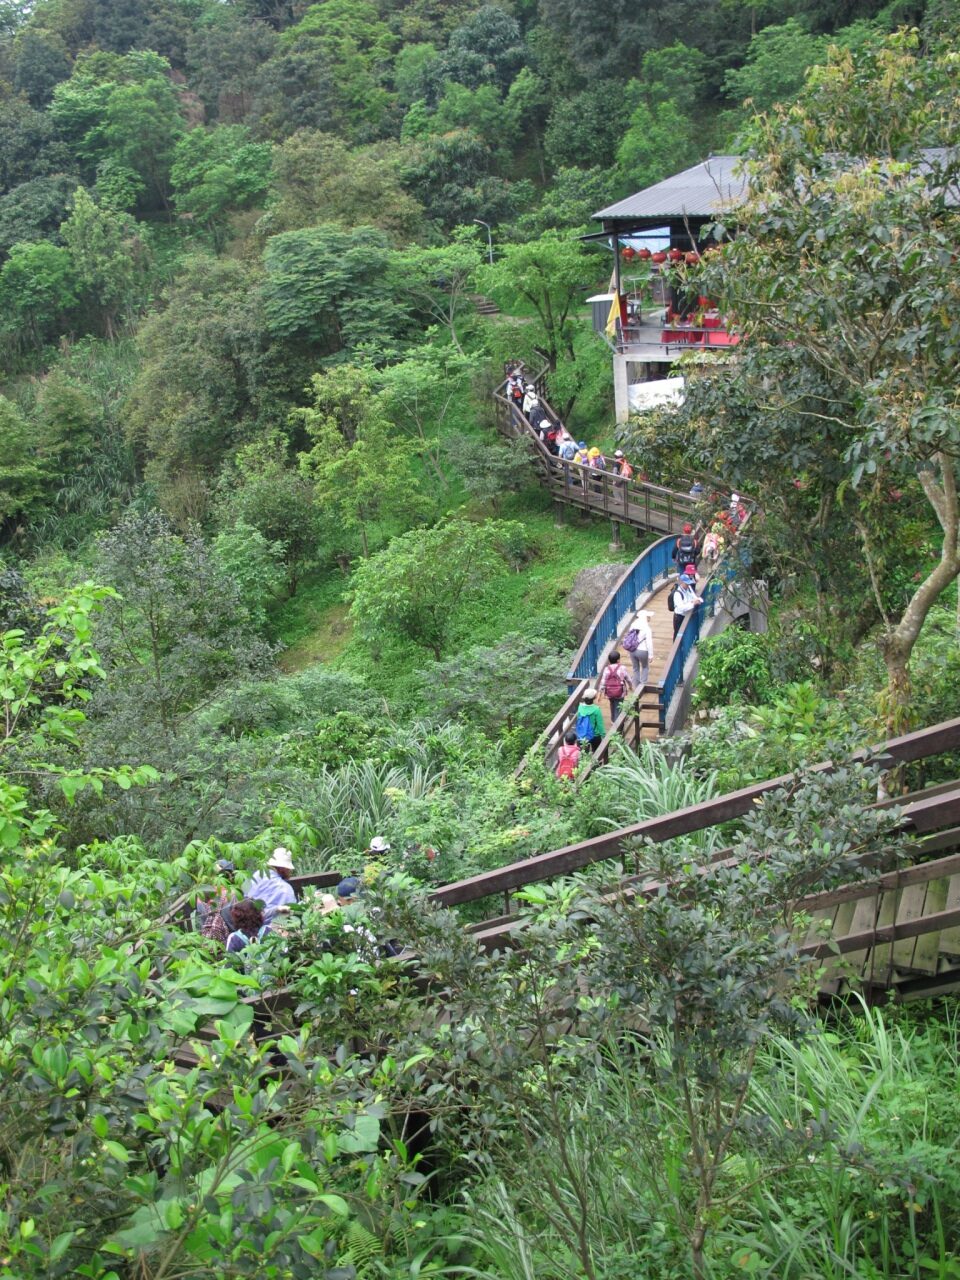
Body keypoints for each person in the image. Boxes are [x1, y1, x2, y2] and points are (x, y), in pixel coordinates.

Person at [243, 846, 296, 923]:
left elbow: (244, 893)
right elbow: (291, 913)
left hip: (247, 923)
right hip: (271, 929)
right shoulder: (286, 889)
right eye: (289, 869)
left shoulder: (256, 874)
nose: (290, 871)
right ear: (283, 868)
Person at [621, 609, 653, 686]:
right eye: (648, 616)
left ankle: (636, 685)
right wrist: (651, 655)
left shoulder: (633, 625)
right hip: (643, 651)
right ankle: (642, 685)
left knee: (635, 668)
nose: (649, 618)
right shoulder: (647, 628)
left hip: (632, 650)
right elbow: (649, 643)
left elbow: (628, 638)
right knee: (645, 667)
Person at [601, 649, 632, 722]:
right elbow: (628, 679)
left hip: (609, 691)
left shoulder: (606, 669)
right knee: (619, 705)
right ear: (618, 660)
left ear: (609, 660)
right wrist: (630, 686)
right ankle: (618, 722)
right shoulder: (622, 668)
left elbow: (603, 681)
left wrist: (601, 691)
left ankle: (613, 719)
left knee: (612, 704)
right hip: (620, 691)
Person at [671, 567, 703, 639]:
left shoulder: (689, 588)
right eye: (686, 583)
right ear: (682, 582)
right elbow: (681, 607)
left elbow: (694, 597)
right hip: (679, 617)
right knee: (678, 635)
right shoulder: (677, 593)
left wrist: (697, 600)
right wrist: (692, 604)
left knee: (686, 635)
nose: (688, 585)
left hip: (686, 615)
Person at [574, 687, 605, 752]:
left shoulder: (580, 707)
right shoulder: (596, 709)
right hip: (595, 735)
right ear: (594, 698)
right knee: (596, 752)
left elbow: (578, 720)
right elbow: (600, 724)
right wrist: (603, 735)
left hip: (583, 735)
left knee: (584, 754)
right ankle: (596, 761)